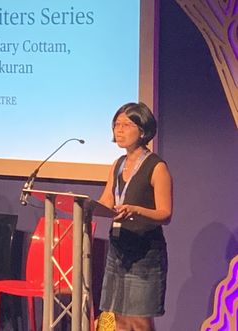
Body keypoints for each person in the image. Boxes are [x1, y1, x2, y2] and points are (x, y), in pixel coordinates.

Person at [98, 102, 173, 331]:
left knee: (139, 320)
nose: (118, 130)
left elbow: (165, 214)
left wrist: (136, 210)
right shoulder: (117, 164)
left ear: (142, 130)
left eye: (125, 125)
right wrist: (80, 204)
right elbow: (106, 202)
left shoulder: (156, 166)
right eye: (116, 125)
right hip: (119, 249)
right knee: (118, 318)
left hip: (145, 252)